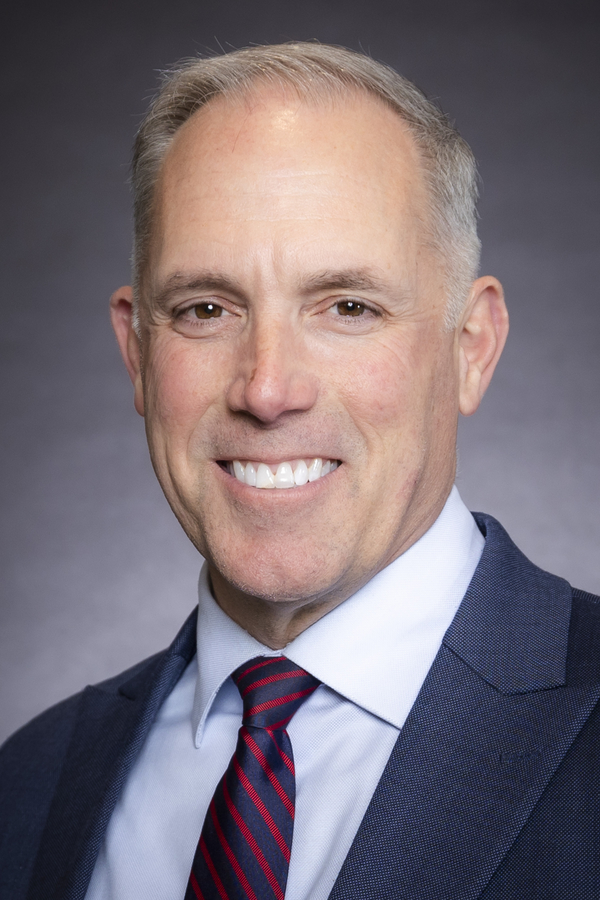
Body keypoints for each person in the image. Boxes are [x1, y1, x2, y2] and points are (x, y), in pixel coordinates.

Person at [1, 42, 599, 900]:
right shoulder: (27, 788)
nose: (268, 388)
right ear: (136, 353)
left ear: (471, 347)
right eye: (206, 309)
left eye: (348, 306)